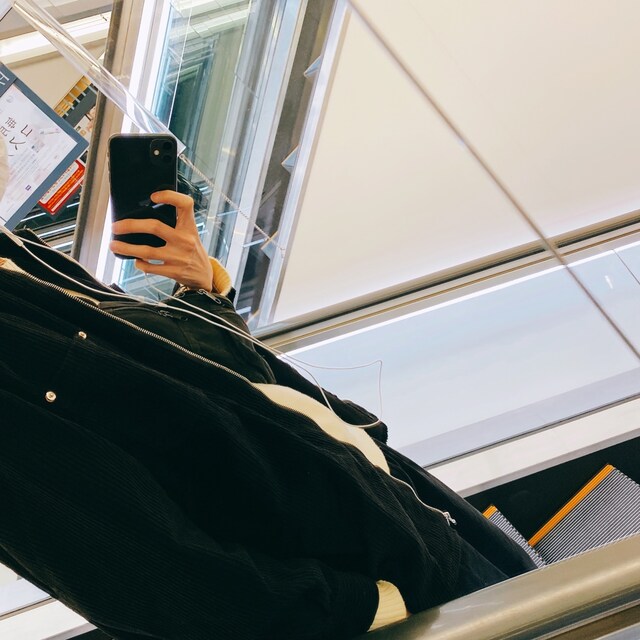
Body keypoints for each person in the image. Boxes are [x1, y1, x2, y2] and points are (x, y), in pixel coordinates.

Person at [0, 180, 537, 639]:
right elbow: (139, 568)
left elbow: (194, 393)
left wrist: (202, 293)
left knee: (562, 601)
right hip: (382, 591)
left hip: (399, 513)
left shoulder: (18, 253)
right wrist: (365, 605)